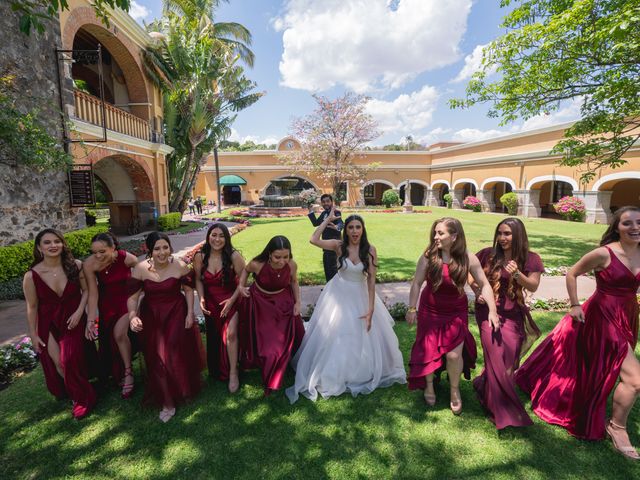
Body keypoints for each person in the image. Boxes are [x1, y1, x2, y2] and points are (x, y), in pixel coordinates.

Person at [515, 206, 640, 459]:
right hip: (602, 317)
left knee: (600, 367)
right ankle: (617, 428)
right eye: (628, 223)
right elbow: (572, 272)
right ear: (617, 227)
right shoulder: (603, 254)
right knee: (635, 380)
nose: (635, 227)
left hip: (627, 316)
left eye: (639, 222)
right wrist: (573, 304)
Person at [286, 212, 406, 403]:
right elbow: (313, 239)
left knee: (363, 333)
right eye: (351, 227)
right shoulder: (338, 246)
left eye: (358, 227)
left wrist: (371, 309)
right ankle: (332, 369)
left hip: (360, 294)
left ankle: (361, 369)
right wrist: (327, 220)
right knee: (335, 330)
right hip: (338, 293)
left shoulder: (370, 249)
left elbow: (372, 280)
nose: (354, 231)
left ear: (363, 229)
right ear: (346, 230)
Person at [406, 217, 499, 415]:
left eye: (441, 233)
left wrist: (492, 310)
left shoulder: (468, 258)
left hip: (455, 311)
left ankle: (454, 390)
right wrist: (412, 308)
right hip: (430, 310)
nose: (435, 236)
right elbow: (416, 283)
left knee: (454, 354)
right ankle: (429, 385)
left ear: (454, 236)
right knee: (428, 349)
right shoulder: (428, 256)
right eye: (435, 232)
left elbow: (485, 284)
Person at [471, 218, 543, 429]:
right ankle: (501, 409)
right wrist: (477, 292)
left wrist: (517, 274)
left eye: (507, 234)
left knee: (508, 360)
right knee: (494, 354)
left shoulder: (531, 258)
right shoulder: (487, 254)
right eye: (500, 233)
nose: (502, 238)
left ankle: (486, 387)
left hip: (513, 315)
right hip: (487, 312)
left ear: (518, 235)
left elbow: (534, 285)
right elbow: (468, 272)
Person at [128, 232, 205, 422]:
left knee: (172, 353)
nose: (162, 252)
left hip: (176, 313)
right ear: (149, 250)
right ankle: (167, 400)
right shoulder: (139, 269)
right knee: (157, 358)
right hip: (152, 316)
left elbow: (188, 290)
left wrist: (189, 313)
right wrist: (132, 316)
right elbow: (132, 297)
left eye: (165, 247)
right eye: (157, 249)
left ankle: (181, 388)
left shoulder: (179, 265)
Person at [23, 229, 96, 419]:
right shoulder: (31, 276)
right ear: (39, 247)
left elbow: (86, 291)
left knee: (71, 359)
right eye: (47, 242)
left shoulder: (75, 266)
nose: (53, 245)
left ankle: (82, 396)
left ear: (63, 244)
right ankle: (78, 394)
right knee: (60, 363)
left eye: (57, 241)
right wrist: (33, 334)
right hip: (48, 324)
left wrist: (80, 312)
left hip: (72, 319)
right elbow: (32, 307)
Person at [231, 235, 304, 394]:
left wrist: (298, 302)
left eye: (286, 256)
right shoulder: (258, 264)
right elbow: (245, 271)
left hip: (283, 302)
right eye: (277, 257)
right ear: (269, 253)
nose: (282, 261)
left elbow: (294, 282)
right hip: (260, 304)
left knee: (295, 336)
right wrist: (241, 286)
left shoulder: (291, 265)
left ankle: (285, 364)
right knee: (268, 347)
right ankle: (270, 373)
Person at [84, 232, 138, 398]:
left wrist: (137, 300)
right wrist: (91, 319)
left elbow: (141, 275)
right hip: (106, 304)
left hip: (126, 301)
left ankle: (129, 374)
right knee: (109, 340)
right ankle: (118, 373)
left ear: (113, 247)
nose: (98, 256)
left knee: (119, 334)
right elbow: (93, 293)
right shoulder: (89, 265)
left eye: (102, 251)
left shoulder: (127, 258)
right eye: (95, 252)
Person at [194, 223, 246, 392]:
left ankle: (233, 373)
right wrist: (201, 298)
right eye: (214, 235)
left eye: (221, 236)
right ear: (208, 236)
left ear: (227, 238)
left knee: (230, 335)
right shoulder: (200, 257)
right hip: (211, 303)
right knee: (215, 336)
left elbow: (243, 282)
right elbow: (198, 280)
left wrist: (231, 301)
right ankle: (217, 368)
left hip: (231, 300)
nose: (217, 239)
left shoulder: (234, 256)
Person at [308, 194, 344, 281]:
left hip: (334, 247)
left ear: (332, 202)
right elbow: (316, 223)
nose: (325, 203)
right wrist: (311, 211)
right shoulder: (323, 213)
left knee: (334, 270)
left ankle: (334, 289)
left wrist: (337, 227)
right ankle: (329, 288)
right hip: (325, 247)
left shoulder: (336, 212)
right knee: (327, 269)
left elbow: (340, 223)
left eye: (328, 201)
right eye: (323, 202)